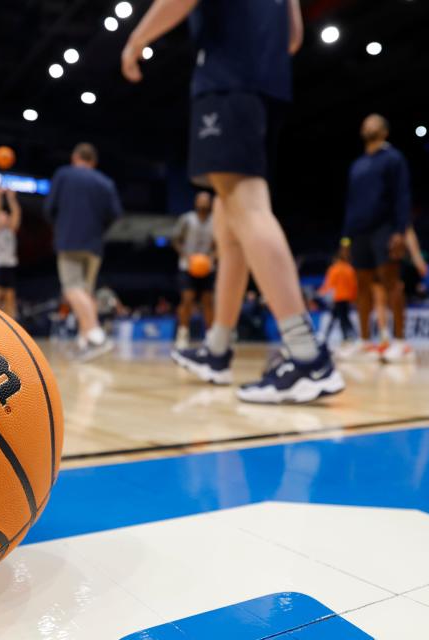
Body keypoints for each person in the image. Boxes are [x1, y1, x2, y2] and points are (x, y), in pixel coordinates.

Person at [123, 0, 344, 404]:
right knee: (230, 228)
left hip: (228, 81)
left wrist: (137, 39)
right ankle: (218, 349)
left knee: (248, 206)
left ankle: (306, 356)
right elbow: (293, 39)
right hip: (267, 87)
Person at [342, 114, 414, 364]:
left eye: (373, 122)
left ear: (384, 131)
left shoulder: (393, 158)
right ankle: (364, 341)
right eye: (365, 122)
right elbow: (350, 204)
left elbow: (402, 196)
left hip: (384, 228)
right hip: (358, 232)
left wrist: (399, 231)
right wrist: (346, 239)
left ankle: (399, 341)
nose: (367, 125)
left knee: (391, 283)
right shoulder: (357, 165)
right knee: (361, 286)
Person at [44, 143, 123, 360]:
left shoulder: (63, 174)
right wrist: (99, 229)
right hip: (94, 244)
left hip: (69, 240)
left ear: (75, 157)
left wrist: (60, 226)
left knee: (72, 289)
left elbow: (49, 208)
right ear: (93, 162)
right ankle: (84, 342)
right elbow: (116, 214)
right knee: (86, 293)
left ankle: (96, 335)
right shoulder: (105, 182)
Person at [173, 191, 216, 349]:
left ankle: (211, 336)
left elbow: (219, 244)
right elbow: (176, 239)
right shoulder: (187, 219)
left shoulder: (216, 221)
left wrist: (213, 256)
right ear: (196, 202)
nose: (203, 203)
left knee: (208, 302)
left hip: (208, 266)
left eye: (206, 200)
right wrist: (186, 255)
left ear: (211, 203)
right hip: (187, 266)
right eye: (201, 200)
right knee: (187, 300)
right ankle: (182, 334)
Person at [0, 187, 22, 318]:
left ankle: (10, 325)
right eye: (1, 216)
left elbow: (16, 212)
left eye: (6, 216)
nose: (4, 217)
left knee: (10, 297)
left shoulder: (11, 230)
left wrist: (11, 198)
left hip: (9, 266)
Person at [319, 246, 357, 345]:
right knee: (341, 316)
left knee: (340, 317)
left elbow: (329, 284)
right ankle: (350, 335)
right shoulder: (350, 269)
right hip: (347, 297)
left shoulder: (334, 269)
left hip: (338, 297)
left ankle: (328, 336)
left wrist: (322, 292)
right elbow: (353, 285)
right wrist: (353, 297)